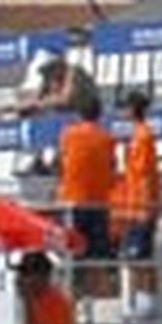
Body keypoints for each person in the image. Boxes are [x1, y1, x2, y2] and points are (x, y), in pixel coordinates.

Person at [56, 92, 119, 289]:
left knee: (73, 252)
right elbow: (112, 166)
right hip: (99, 203)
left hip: (73, 202)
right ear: (99, 114)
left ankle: (74, 296)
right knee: (98, 255)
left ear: (78, 114)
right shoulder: (107, 138)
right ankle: (97, 294)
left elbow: (60, 164)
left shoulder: (68, 135)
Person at [117, 90, 161, 317]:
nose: (123, 111)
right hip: (134, 207)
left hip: (141, 207)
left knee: (141, 257)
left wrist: (145, 208)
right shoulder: (138, 136)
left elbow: (144, 175)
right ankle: (137, 301)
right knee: (135, 257)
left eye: (126, 106)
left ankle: (146, 303)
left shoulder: (143, 136)